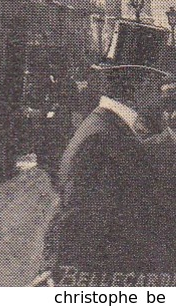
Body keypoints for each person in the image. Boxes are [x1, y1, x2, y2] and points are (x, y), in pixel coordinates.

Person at [44, 24, 176, 284]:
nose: (163, 95)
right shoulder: (99, 140)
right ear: (140, 84)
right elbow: (80, 234)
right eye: (159, 85)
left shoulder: (108, 127)